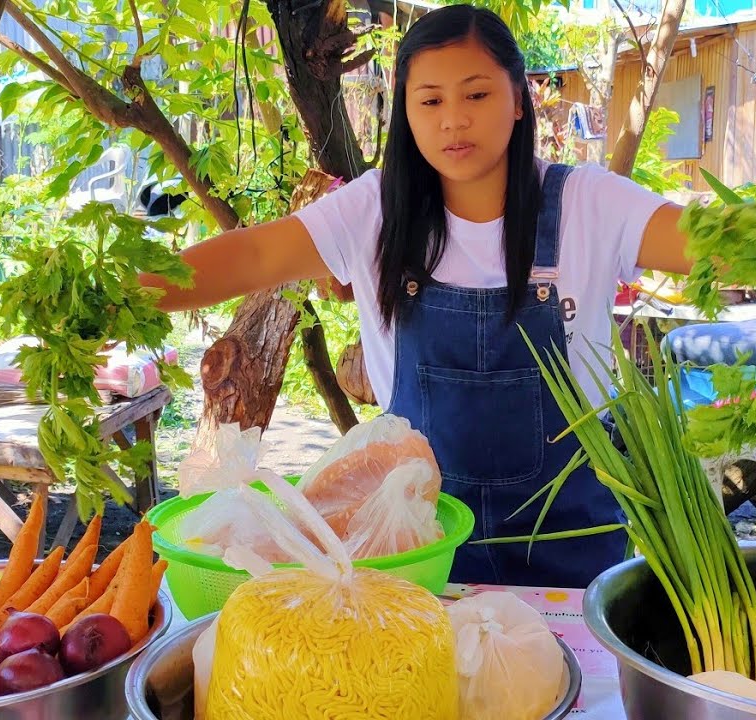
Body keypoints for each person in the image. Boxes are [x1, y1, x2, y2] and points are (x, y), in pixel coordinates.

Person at [141, 4, 693, 589]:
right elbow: (255, 255)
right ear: (406, 111)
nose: (453, 120)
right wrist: (126, 295)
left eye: (476, 95)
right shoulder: (375, 209)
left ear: (518, 99)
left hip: (572, 551)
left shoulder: (590, 204)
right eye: (430, 101)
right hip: (415, 548)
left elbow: (706, 244)